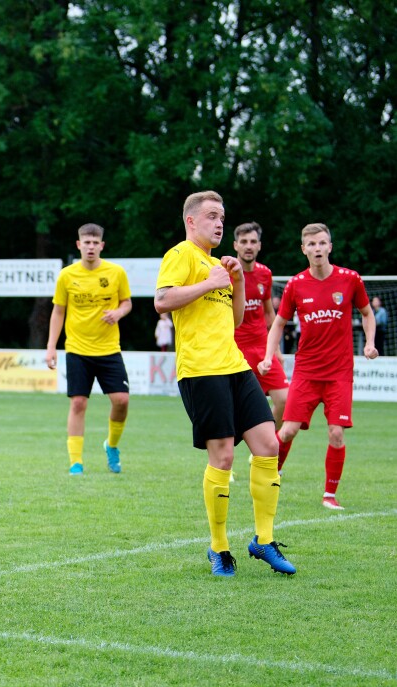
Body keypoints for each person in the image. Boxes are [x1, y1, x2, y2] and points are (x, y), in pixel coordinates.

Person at [155, 191, 295, 577]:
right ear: (191, 222)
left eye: (222, 217)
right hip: (200, 370)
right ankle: (219, 549)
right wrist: (209, 281)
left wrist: (235, 280)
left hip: (234, 366)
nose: (220, 223)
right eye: (212, 216)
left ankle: (263, 541)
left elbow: (234, 321)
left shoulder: (219, 264)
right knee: (223, 458)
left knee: (268, 444)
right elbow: (162, 301)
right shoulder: (181, 255)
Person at [259, 223, 378, 511]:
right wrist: (268, 355)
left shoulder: (350, 280)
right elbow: (278, 323)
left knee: (336, 432)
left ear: (330, 247)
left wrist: (369, 343)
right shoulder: (296, 285)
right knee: (287, 431)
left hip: (339, 373)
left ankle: (329, 496)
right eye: (311, 245)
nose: (317, 249)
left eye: (322, 243)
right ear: (304, 249)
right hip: (306, 372)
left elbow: (367, 313)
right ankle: (269, 476)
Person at [46, 223, 132, 475]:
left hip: (108, 349)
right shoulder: (67, 275)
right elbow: (58, 312)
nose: (91, 246)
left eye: (95, 242)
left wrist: (118, 312)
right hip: (77, 350)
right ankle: (76, 462)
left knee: (122, 401)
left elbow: (127, 303)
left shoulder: (116, 273)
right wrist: (51, 346)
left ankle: (112, 445)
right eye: (87, 242)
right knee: (78, 403)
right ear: (78, 245)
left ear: (102, 245)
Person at [233, 222, 289, 428]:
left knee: (285, 401)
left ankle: (264, 446)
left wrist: (277, 351)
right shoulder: (226, 274)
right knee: (236, 407)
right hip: (235, 349)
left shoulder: (265, 274)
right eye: (244, 241)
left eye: (253, 242)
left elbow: (268, 313)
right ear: (235, 245)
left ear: (259, 246)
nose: (248, 246)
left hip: (262, 348)